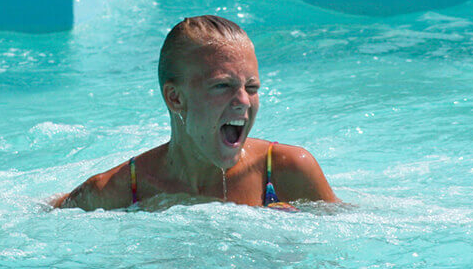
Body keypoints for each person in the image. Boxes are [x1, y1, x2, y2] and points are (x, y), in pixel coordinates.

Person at [54, 15, 338, 211]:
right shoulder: (119, 191)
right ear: (175, 98)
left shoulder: (285, 172)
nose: (243, 101)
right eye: (222, 86)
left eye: (251, 87)